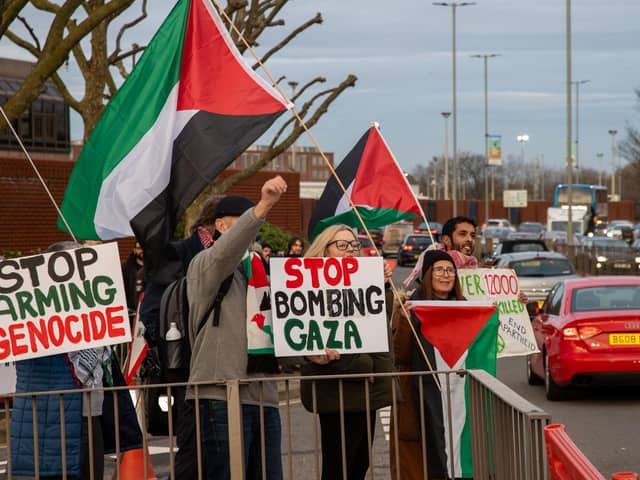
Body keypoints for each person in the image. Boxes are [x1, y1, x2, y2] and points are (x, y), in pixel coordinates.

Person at [11, 240, 142, 479]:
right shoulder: (46, 318)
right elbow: (85, 368)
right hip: (65, 420)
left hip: (64, 418)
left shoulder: (39, 317)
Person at [186, 176, 287, 479]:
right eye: (242, 221)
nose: (252, 229)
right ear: (221, 227)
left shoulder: (261, 272)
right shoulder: (206, 264)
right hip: (220, 393)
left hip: (263, 395)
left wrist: (311, 355)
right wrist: (263, 206)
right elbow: (227, 251)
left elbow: (277, 332)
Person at [300, 224, 394, 480]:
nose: (350, 250)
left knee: (358, 465)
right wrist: (364, 365)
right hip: (338, 390)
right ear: (324, 250)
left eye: (354, 245)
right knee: (338, 467)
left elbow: (379, 324)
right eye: (342, 245)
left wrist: (382, 286)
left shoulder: (365, 279)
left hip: (366, 390)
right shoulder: (311, 285)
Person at [138, 196, 220, 480]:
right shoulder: (178, 254)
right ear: (216, 223)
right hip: (187, 370)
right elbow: (151, 315)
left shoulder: (231, 258)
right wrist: (176, 350)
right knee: (193, 448)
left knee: (219, 449)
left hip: (222, 369)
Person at [390, 249, 464, 480]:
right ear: (428, 275)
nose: (445, 275)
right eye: (439, 270)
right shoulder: (409, 307)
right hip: (418, 398)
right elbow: (399, 355)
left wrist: (517, 306)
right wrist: (404, 320)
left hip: (457, 397)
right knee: (421, 460)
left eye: (450, 270)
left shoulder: (466, 309)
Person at [121, 240, 144, 315]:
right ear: (134, 250)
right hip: (132, 312)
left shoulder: (154, 266)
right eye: (139, 248)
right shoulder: (126, 267)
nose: (142, 251)